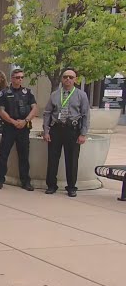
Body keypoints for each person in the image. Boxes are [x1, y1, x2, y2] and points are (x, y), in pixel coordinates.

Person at [43, 69, 90, 197]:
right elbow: (47, 113)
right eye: (65, 77)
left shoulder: (81, 95)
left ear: (75, 79)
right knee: (53, 159)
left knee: (72, 160)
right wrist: (46, 131)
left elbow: (85, 115)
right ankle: (51, 185)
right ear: (62, 79)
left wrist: (83, 133)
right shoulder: (55, 94)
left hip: (72, 130)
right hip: (56, 129)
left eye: (71, 77)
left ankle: (71, 187)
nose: (68, 79)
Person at [0, 68, 37, 191]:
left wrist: (25, 121)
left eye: (22, 77)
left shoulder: (28, 92)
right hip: (9, 127)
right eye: (17, 77)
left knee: (24, 155)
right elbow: (1, 111)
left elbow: (34, 108)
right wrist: (13, 122)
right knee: (3, 154)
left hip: (23, 127)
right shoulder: (4, 92)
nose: (20, 80)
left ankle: (25, 181)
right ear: (12, 78)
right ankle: (0, 180)